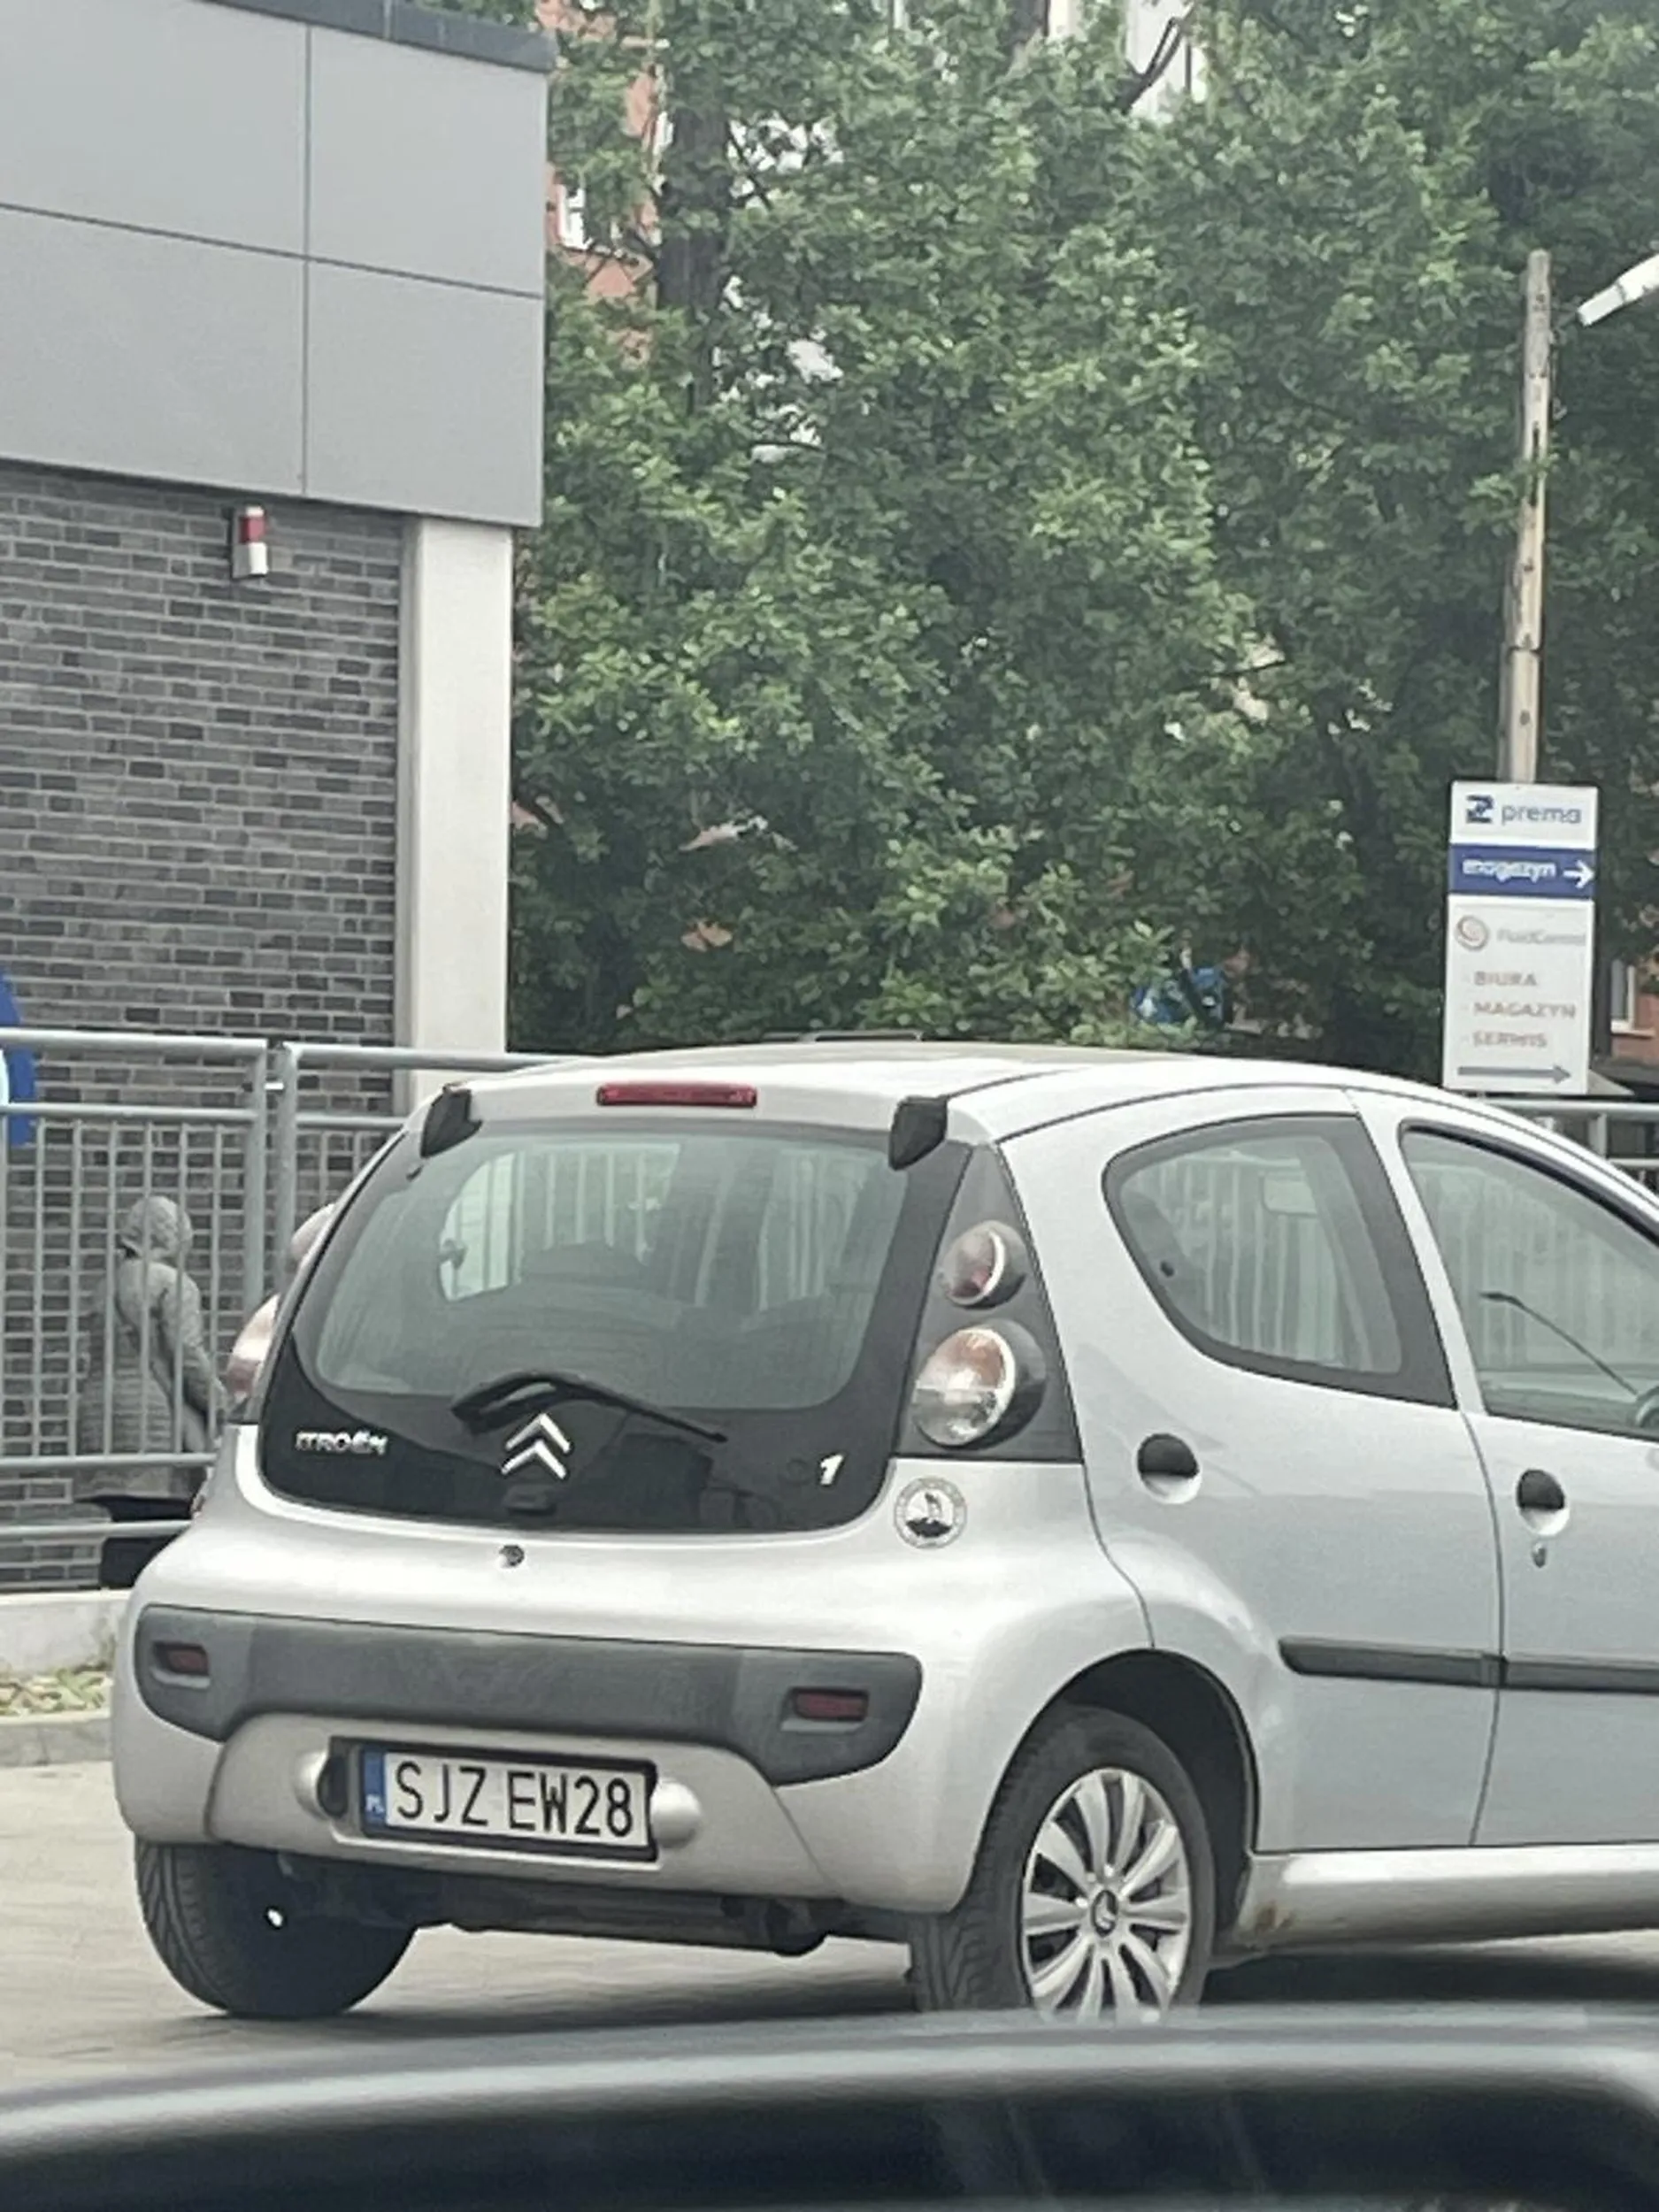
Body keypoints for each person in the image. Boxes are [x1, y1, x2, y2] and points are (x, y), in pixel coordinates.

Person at [74, 1197, 223, 1589]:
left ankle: (108, 1606)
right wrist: (220, 1402)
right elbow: (186, 1354)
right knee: (162, 1526)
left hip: (102, 1418)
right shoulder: (172, 1284)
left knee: (126, 1526)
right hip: (156, 1419)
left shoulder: (106, 1284)